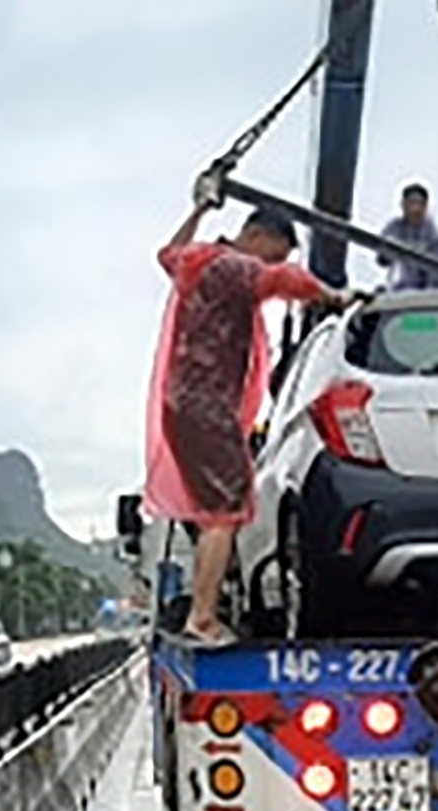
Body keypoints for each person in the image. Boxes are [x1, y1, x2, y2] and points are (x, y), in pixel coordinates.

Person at [144, 174, 351, 645]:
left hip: (186, 404)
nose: (274, 261)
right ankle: (202, 617)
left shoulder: (197, 260)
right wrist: (334, 296)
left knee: (215, 510)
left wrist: (198, 211)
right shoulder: (231, 267)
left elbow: (166, 255)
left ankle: (203, 607)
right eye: (275, 250)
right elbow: (283, 280)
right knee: (226, 510)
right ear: (258, 236)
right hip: (208, 406)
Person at [378, 182, 438, 291]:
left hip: (432, 290)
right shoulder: (395, 227)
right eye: (411, 203)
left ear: (426, 206)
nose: (415, 209)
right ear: (403, 205)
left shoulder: (437, 238)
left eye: (419, 204)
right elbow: (382, 258)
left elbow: (437, 278)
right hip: (404, 288)